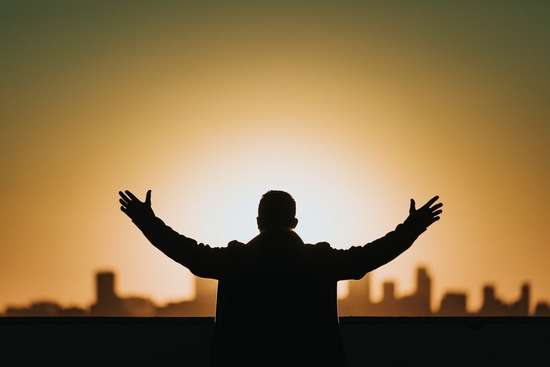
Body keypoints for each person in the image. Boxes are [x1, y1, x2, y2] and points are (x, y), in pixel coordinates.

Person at [119, 189, 443, 366]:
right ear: (296, 221)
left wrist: (145, 220)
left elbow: (184, 251)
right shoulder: (320, 260)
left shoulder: (235, 260)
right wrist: (413, 227)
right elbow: (371, 255)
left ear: (258, 221)